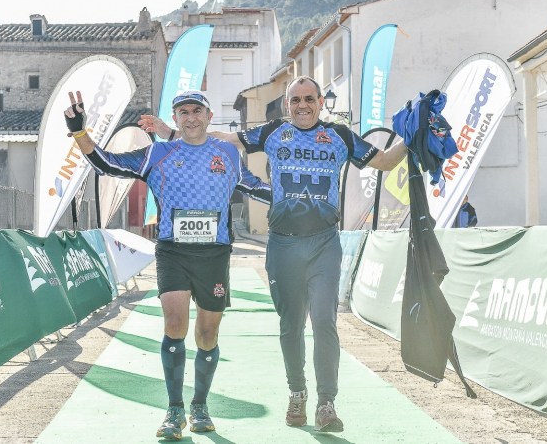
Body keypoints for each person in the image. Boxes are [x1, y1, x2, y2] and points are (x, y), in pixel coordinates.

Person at [188, 76, 408, 433]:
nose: (302, 105)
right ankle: (297, 393)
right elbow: (226, 139)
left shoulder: (340, 135)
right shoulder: (273, 131)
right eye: (295, 100)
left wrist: (411, 139)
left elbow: (384, 162)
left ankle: (326, 402)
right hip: (284, 244)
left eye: (309, 99)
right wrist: (176, 130)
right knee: (291, 325)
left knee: (324, 321)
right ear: (287, 105)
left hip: (324, 242)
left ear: (321, 102)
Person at [65, 89, 269, 441]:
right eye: (183, 112)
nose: (190, 117)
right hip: (173, 251)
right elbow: (106, 163)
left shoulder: (228, 154)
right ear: (175, 119)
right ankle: (175, 410)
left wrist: (299, 196)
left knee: (207, 334)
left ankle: (199, 405)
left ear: (208, 116)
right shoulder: (158, 153)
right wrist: (79, 131)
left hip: (214, 254)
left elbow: (255, 188)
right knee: (175, 324)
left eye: (197, 111)